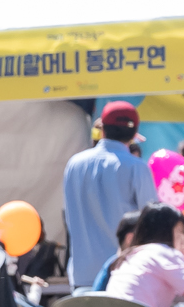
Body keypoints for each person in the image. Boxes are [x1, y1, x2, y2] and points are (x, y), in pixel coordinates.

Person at [64, 102, 156, 287]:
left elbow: (68, 216)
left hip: (82, 275)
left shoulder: (74, 164)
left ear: (103, 129)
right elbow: (153, 223)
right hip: (123, 275)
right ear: (133, 134)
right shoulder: (136, 167)